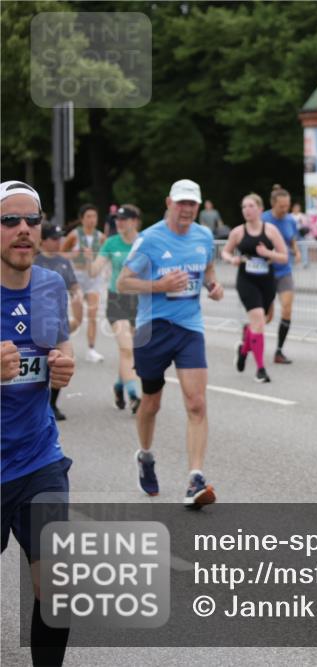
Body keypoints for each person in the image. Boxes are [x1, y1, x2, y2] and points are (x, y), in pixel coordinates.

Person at [1, 180, 76, 666]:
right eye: (11, 221)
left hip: (37, 458)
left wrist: (63, 366)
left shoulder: (49, 285)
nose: (24, 230)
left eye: (33, 220)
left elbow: (57, 350)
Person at [116, 179, 224, 507]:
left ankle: (195, 478)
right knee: (151, 403)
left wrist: (213, 286)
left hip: (189, 327)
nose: (187, 209)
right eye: (181, 203)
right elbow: (123, 282)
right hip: (154, 329)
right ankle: (146, 456)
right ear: (169, 203)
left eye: (192, 203)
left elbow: (207, 269)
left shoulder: (204, 236)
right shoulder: (149, 239)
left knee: (196, 403)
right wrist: (159, 284)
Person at [224, 193, 288, 384]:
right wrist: (232, 259)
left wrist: (267, 253)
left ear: (260, 209)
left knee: (260, 322)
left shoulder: (270, 230)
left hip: (266, 281)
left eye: (251, 206)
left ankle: (244, 349)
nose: (247, 210)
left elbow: (284, 256)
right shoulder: (237, 232)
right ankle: (261, 369)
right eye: (244, 207)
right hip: (246, 280)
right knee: (259, 319)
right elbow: (225, 251)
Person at [90, 205, 143, 414]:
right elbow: (95, 269)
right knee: (126, 348)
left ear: (135, 221)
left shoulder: (145, 241)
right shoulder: (111, 243)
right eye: (117, 220)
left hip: (140, 301)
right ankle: (134, 395)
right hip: (117, 300)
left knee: (131, 352)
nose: (119, 223)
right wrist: (88, 259)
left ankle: (119, 386)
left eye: (124, 219)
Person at [33, 223, 83, 421]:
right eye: (54, 238)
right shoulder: (33, 260)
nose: (58, 242)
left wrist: (78, 294)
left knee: (60, 360)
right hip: (35, 318)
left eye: (60, 238)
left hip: (56, 318)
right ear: (42, 240)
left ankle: (52, 403)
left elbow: (73, 284)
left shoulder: (63, 262)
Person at [61, 203, 105, 363]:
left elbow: (105, 256)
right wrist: (74, 254)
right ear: (82, 219)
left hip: (94, 280)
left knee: (93, 316)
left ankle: (91, 350)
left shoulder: (101, 237)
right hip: (77, 281)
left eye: (94, 216)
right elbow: (60, 254)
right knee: (78, 320)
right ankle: (59, 339)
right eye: (88, 217)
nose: (92, 220)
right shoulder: (74, 235)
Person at [262, 185, 300, 365]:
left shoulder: (290, 220)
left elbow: (292, 238)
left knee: (287, 309)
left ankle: (278, 351)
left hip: (284, 271)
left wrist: (296, 251)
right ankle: (248, 339)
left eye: (287, 206)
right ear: (273, 204)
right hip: (266, 273)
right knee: (266, 317)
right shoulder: (263, 220)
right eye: (281, 207)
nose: (285, 209)